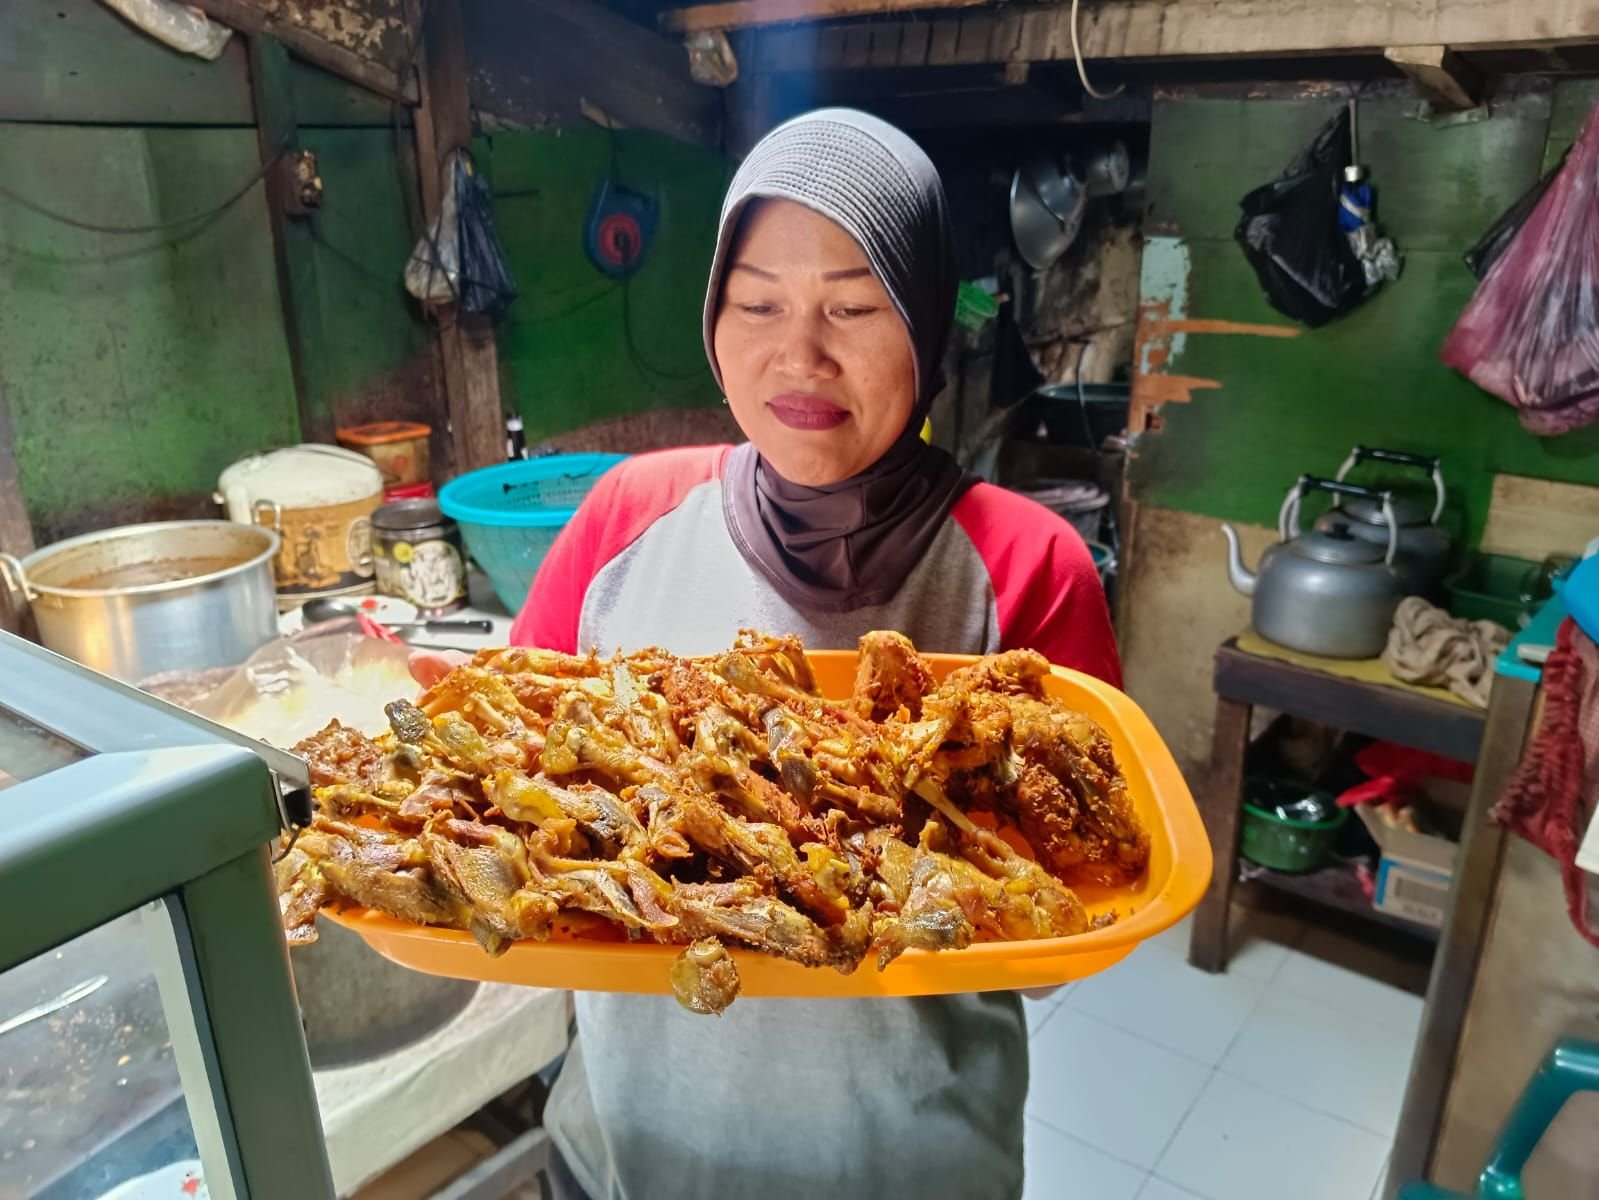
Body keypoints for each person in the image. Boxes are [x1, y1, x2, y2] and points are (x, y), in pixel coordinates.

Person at [424, 108, 1119, 1200]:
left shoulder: (1025, 565)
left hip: (905, 1160)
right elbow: (507, 797)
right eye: (757, 304)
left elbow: (1074, 921)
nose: (801, 355)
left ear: (926, 319)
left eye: (854, 305)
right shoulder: (624, 520)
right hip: (633, 1145)